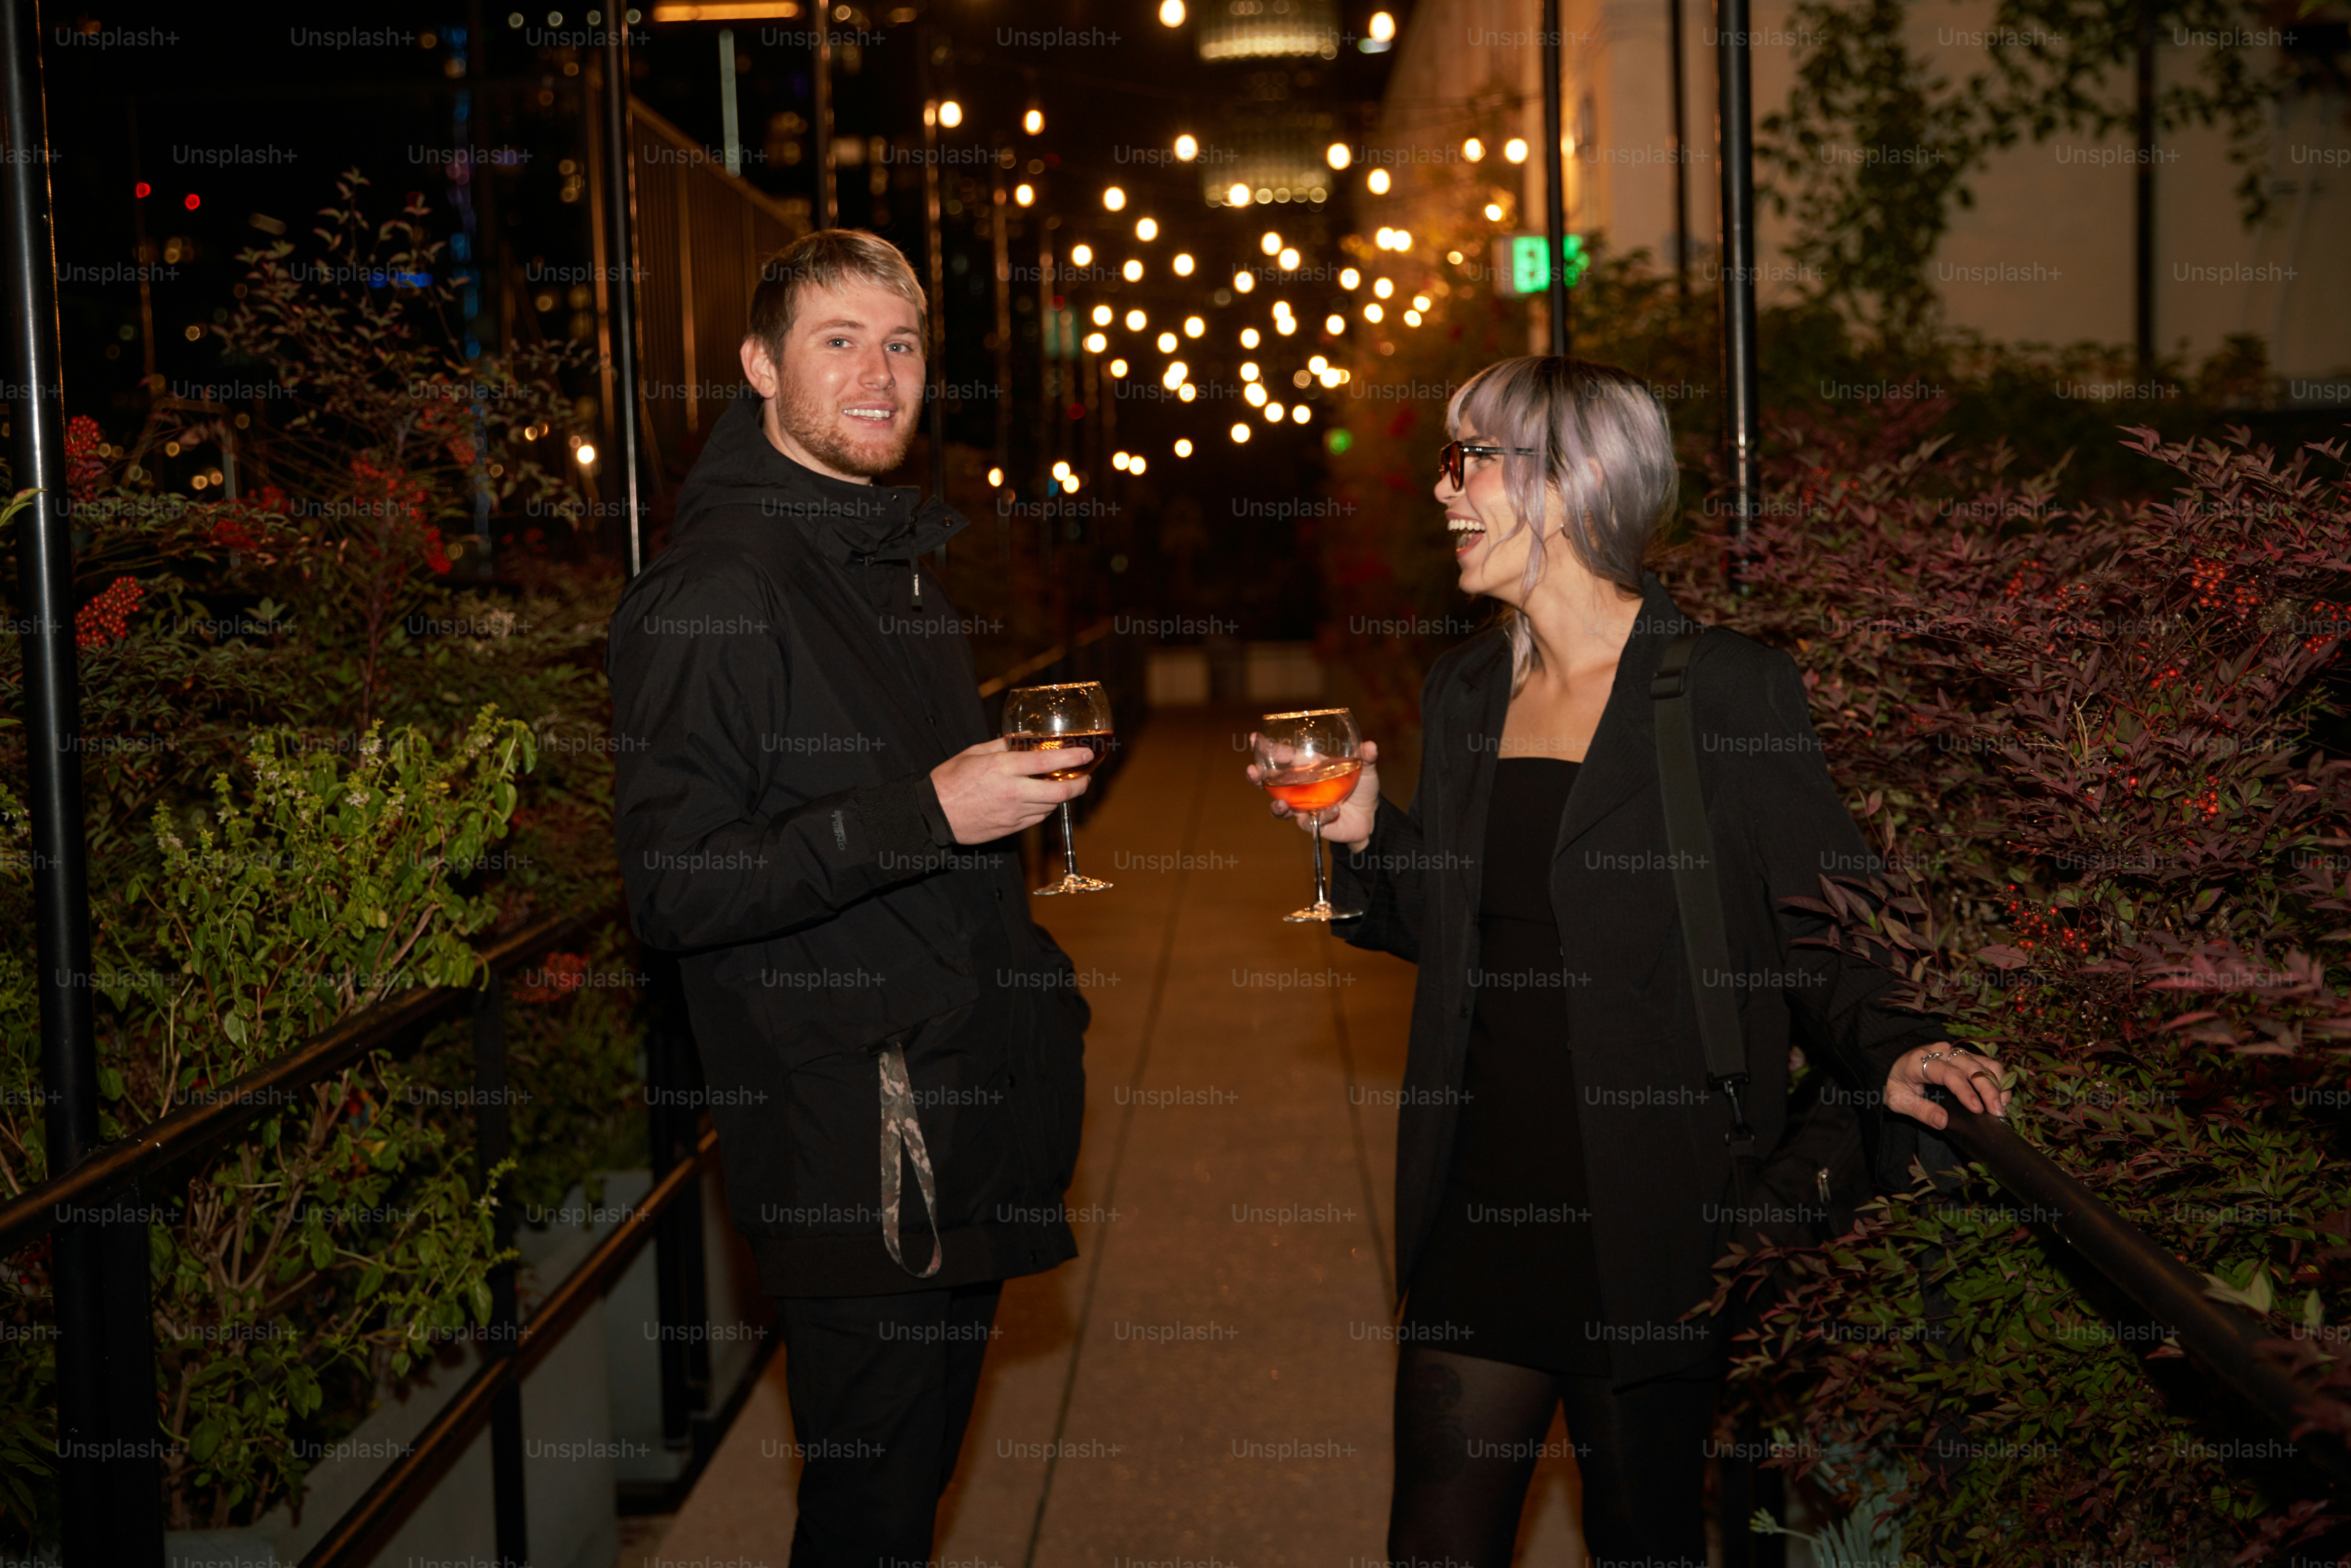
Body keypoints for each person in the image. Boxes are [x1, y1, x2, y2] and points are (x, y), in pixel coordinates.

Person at [1250, 356, 2012, 1565]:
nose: (1441, 492)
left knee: (1641, 1543)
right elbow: (1456, 930)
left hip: (1652, 1225)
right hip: (1476, 1210)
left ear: (1563, 482)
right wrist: (1362, 840)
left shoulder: (1717, 689)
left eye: (1467, 461)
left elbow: (1827, 917)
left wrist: (1898, 1039)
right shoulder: (1462, 694)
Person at [607, 228, 1094, 1566]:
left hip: (955, 1101)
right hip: (853, 1138)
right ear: (761, 367)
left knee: (905, 1498)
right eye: (839, 343)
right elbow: (675, 882)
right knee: (871, 1520)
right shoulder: (718, 588)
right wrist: (929, 810)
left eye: (901, 345)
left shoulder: (880, 561)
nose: (878, 375)